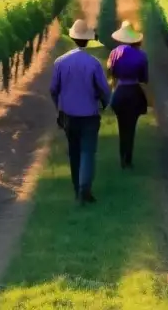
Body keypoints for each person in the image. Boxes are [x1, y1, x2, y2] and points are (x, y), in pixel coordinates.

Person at [50, 19, 111, 204]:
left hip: (68, 115)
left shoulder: (60, 62)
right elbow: (104, 89)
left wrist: (58, 108)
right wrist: (105, 104)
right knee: (88, 152)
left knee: (74, 151)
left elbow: (54, 89)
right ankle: (85, 189)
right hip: (89, 116)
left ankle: (77, 188)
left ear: (72, 38)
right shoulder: (94, 64)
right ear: (87, 40)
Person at [107, 21, 149, 169]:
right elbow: (144, 79)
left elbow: (111, 72)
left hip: (120, 92)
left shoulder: (114, 53)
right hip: (134, 93)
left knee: (121, 126)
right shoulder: (141, 55)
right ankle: (128, 158)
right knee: (131, 127)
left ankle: (122, 158)